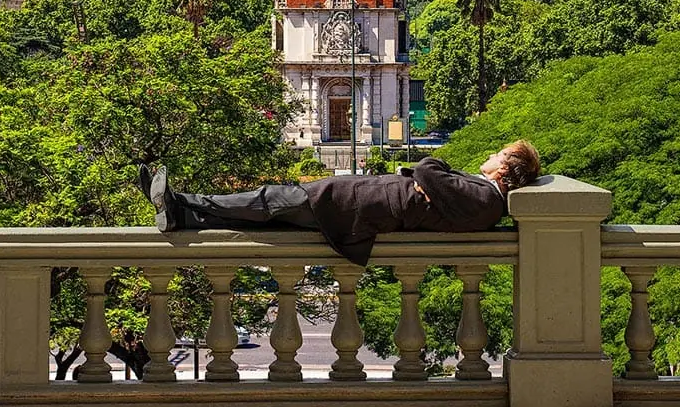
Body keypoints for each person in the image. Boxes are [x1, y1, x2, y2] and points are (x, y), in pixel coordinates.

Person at [138, 141, 540, 267]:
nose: (492, 153)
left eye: (500, 153)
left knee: (268, 201)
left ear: (505, 169)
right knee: (268, 213)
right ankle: (180, 211)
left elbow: (427, 170)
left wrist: (433, 174)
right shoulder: (485, 199)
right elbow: (428, 184)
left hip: (354, 206)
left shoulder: (486, 197)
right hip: (360, 203)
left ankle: (180, 203)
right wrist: (428, 184)